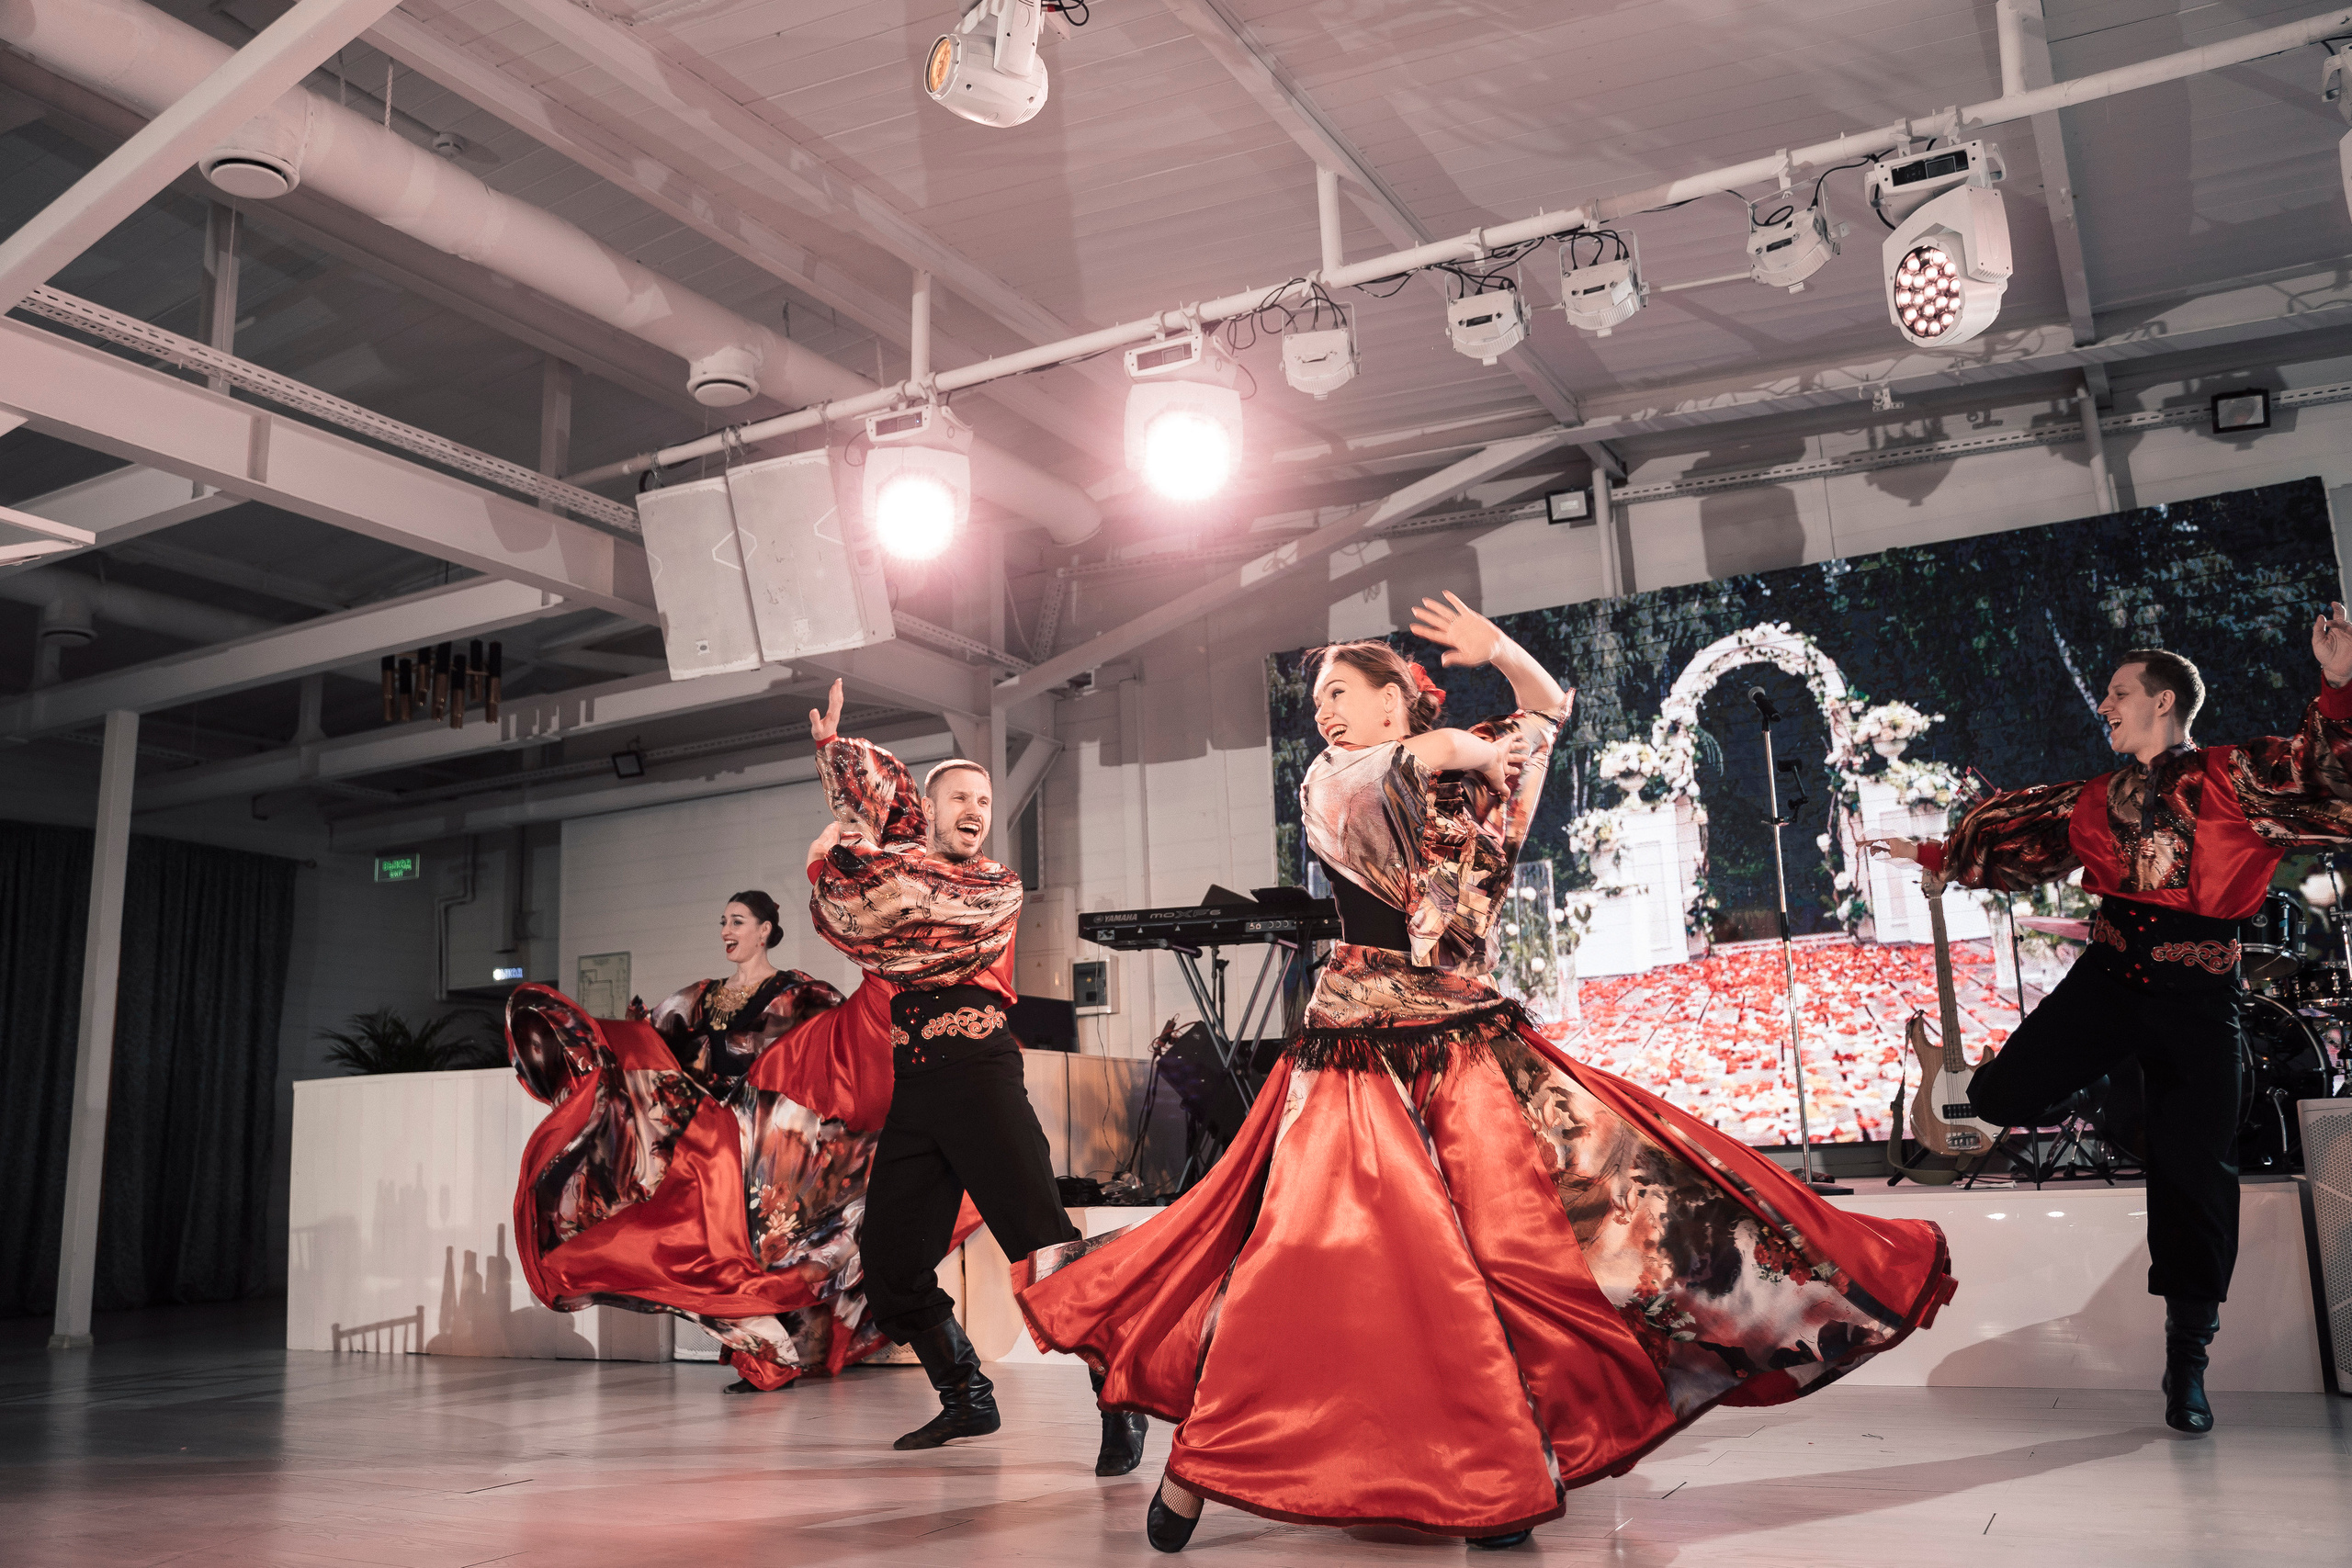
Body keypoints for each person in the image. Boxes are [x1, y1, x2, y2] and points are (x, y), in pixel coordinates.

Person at [1019, 592, 1958, 1552]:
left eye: (1342, 692)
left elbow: (1544, 710)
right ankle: (1197, 1472)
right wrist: (1461, 748)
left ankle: (1500, 1469)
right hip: (1357, 1055)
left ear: (1392, 697)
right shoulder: (1335, 779)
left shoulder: (1472, 788)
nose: (1325, 712)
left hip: (1465, 1041)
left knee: (1529, 1246)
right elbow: (1400, 767)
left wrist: (1499, 649)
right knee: (1302, 1257)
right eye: (1318, 701)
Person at [1869, 606, 2352, 1435]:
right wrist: (1937, 856)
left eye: (2118, 692)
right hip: (2110, 976)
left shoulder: (2237, 778)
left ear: (2164, 701)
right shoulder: (2099, 797)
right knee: (1999, 1093)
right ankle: (2097, 1084)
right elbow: (2024, 834)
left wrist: (2339, 683)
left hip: (2199, 998)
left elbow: (2324, 773)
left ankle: (2187, 1364)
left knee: (2195, 1179)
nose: (2104, 704)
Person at [808, 681, 1147, 1474]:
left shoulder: (993, 886)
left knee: (1046, 1247)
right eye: (959, 798)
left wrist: (831, 865)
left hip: (983, 1078)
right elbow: (869, 917)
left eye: (985, 801)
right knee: (888, 1260)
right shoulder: (901, 877)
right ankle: (965, 1392)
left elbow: (890, 917)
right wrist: (836, 764)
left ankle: (1119, 1396)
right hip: (918, 1083)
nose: (975, 811)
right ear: (926, 811)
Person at [507, 890, 978, 1393]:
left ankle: (780, 1355)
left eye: (737, 921)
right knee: (712, 1254)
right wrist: (585, 1043)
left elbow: (842, 1049)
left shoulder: (803, 994)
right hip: (712, 1145)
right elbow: (645, 1044)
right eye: (723, 922)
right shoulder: (698, 997)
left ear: (765, 931)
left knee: (776, 1253)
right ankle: (766, 1355)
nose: (726, 932)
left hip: (774, 1149)